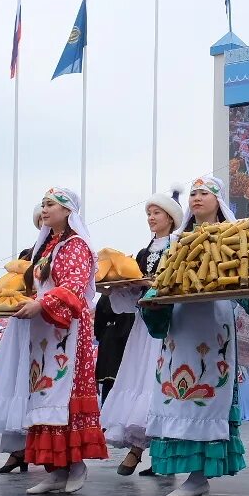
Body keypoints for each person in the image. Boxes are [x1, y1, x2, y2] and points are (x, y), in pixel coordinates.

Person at [138, 176, 248, 496]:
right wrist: (152, 299)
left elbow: (246, 278)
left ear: (219, 200)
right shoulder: (175, 240)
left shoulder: (232, 236)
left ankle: (199, 475)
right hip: (181, 323)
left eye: (204, 193)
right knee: (177, 392)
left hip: (214, 321)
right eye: (194, 193)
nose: (197, 198)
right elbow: (163, 280)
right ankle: (189, 472)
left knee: (208, 389)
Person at [0, 186, 105, 495]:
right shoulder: (47, 247)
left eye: (50, 205)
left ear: (68, 211)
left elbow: (72, 287)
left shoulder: (76, 245)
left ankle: (76, 464)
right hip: (43, 329)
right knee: (43, 395)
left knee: (63, 392)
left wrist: (42, 304)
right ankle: (55, 468)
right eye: (42, 205)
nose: (44, 209)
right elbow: (39, 286)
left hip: (66, 328)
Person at [103, 186, 184, 477]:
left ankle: (155, 452)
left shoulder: (180, 245)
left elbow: (180, 282)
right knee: (142, 379)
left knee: (161, 381)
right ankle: (139, 448)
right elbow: (133, 292)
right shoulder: (142, 252)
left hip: (172, 322)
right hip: (144, 324)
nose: (151, 218)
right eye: (149, 213)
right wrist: (122, 287)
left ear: (171, 217)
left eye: (156, 213)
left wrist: (155, 287)